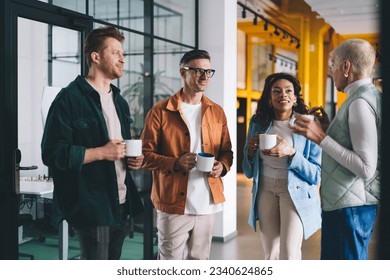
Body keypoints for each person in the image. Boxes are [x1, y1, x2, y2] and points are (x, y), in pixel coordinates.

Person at [41, 26, 144, 260]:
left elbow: (119, 149)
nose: (123, 59)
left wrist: (133, 158)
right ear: (95, 57)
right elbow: (52, 154)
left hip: (122, 201)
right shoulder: (68, 99)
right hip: (92, 205)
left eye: (123, 54)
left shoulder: (120, 102)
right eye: (115, 52)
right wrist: (101, 152)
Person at [292, 38, 382, 260]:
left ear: (346, 67)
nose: (331, 72)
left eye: (333, 66)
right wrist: (328, 129)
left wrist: (320, 137)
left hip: (349, 209)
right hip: (351, 205)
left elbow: (365, 167)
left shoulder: (360, 103)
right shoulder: (365, 97)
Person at [140, 49, 233, 260]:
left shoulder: (217, 111)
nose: (204, 76)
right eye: (198, 70)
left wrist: (223, 167)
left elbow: (227, 151)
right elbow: (145, 155)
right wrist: (175, 163)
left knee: (199, 262)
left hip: (208, 202)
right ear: (183, 72)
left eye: (209, 71)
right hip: (173, 204)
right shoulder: (160, 112)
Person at [242, 72, 322, 260]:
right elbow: (247, 171)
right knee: (270, 253)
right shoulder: (257, 122)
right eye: (276, 91)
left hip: (295, 191)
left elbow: (317, 174)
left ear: (295, 98)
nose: (282, 95)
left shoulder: (308, 124)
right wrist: (250, 152)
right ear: (269, 98)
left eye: (288, 91)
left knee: (289, 252)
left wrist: (292, 153)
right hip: (265, 189)